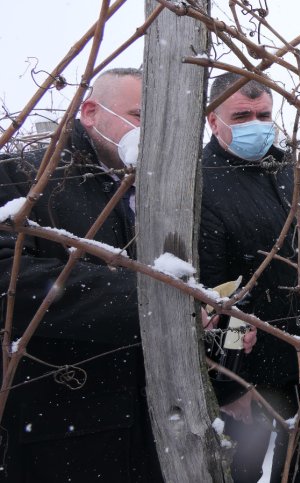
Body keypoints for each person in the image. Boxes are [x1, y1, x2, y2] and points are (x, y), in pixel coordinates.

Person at [0, 68, 164, 481]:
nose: (151, 131)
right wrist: (149, 299)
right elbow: (7, 279)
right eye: (139, 115)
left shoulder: (159, 189)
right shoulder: (25, 177)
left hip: (154, 420)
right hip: (61, 425)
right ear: (90, 113)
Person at [198, 72, 300, 483]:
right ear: (214, 121)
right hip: (248, 358)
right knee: (244, 466)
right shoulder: (201, 181)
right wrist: (231, 382)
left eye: (263, 114)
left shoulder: (284, 164)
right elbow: (216, 292)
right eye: (242, 115)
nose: (256, 123)